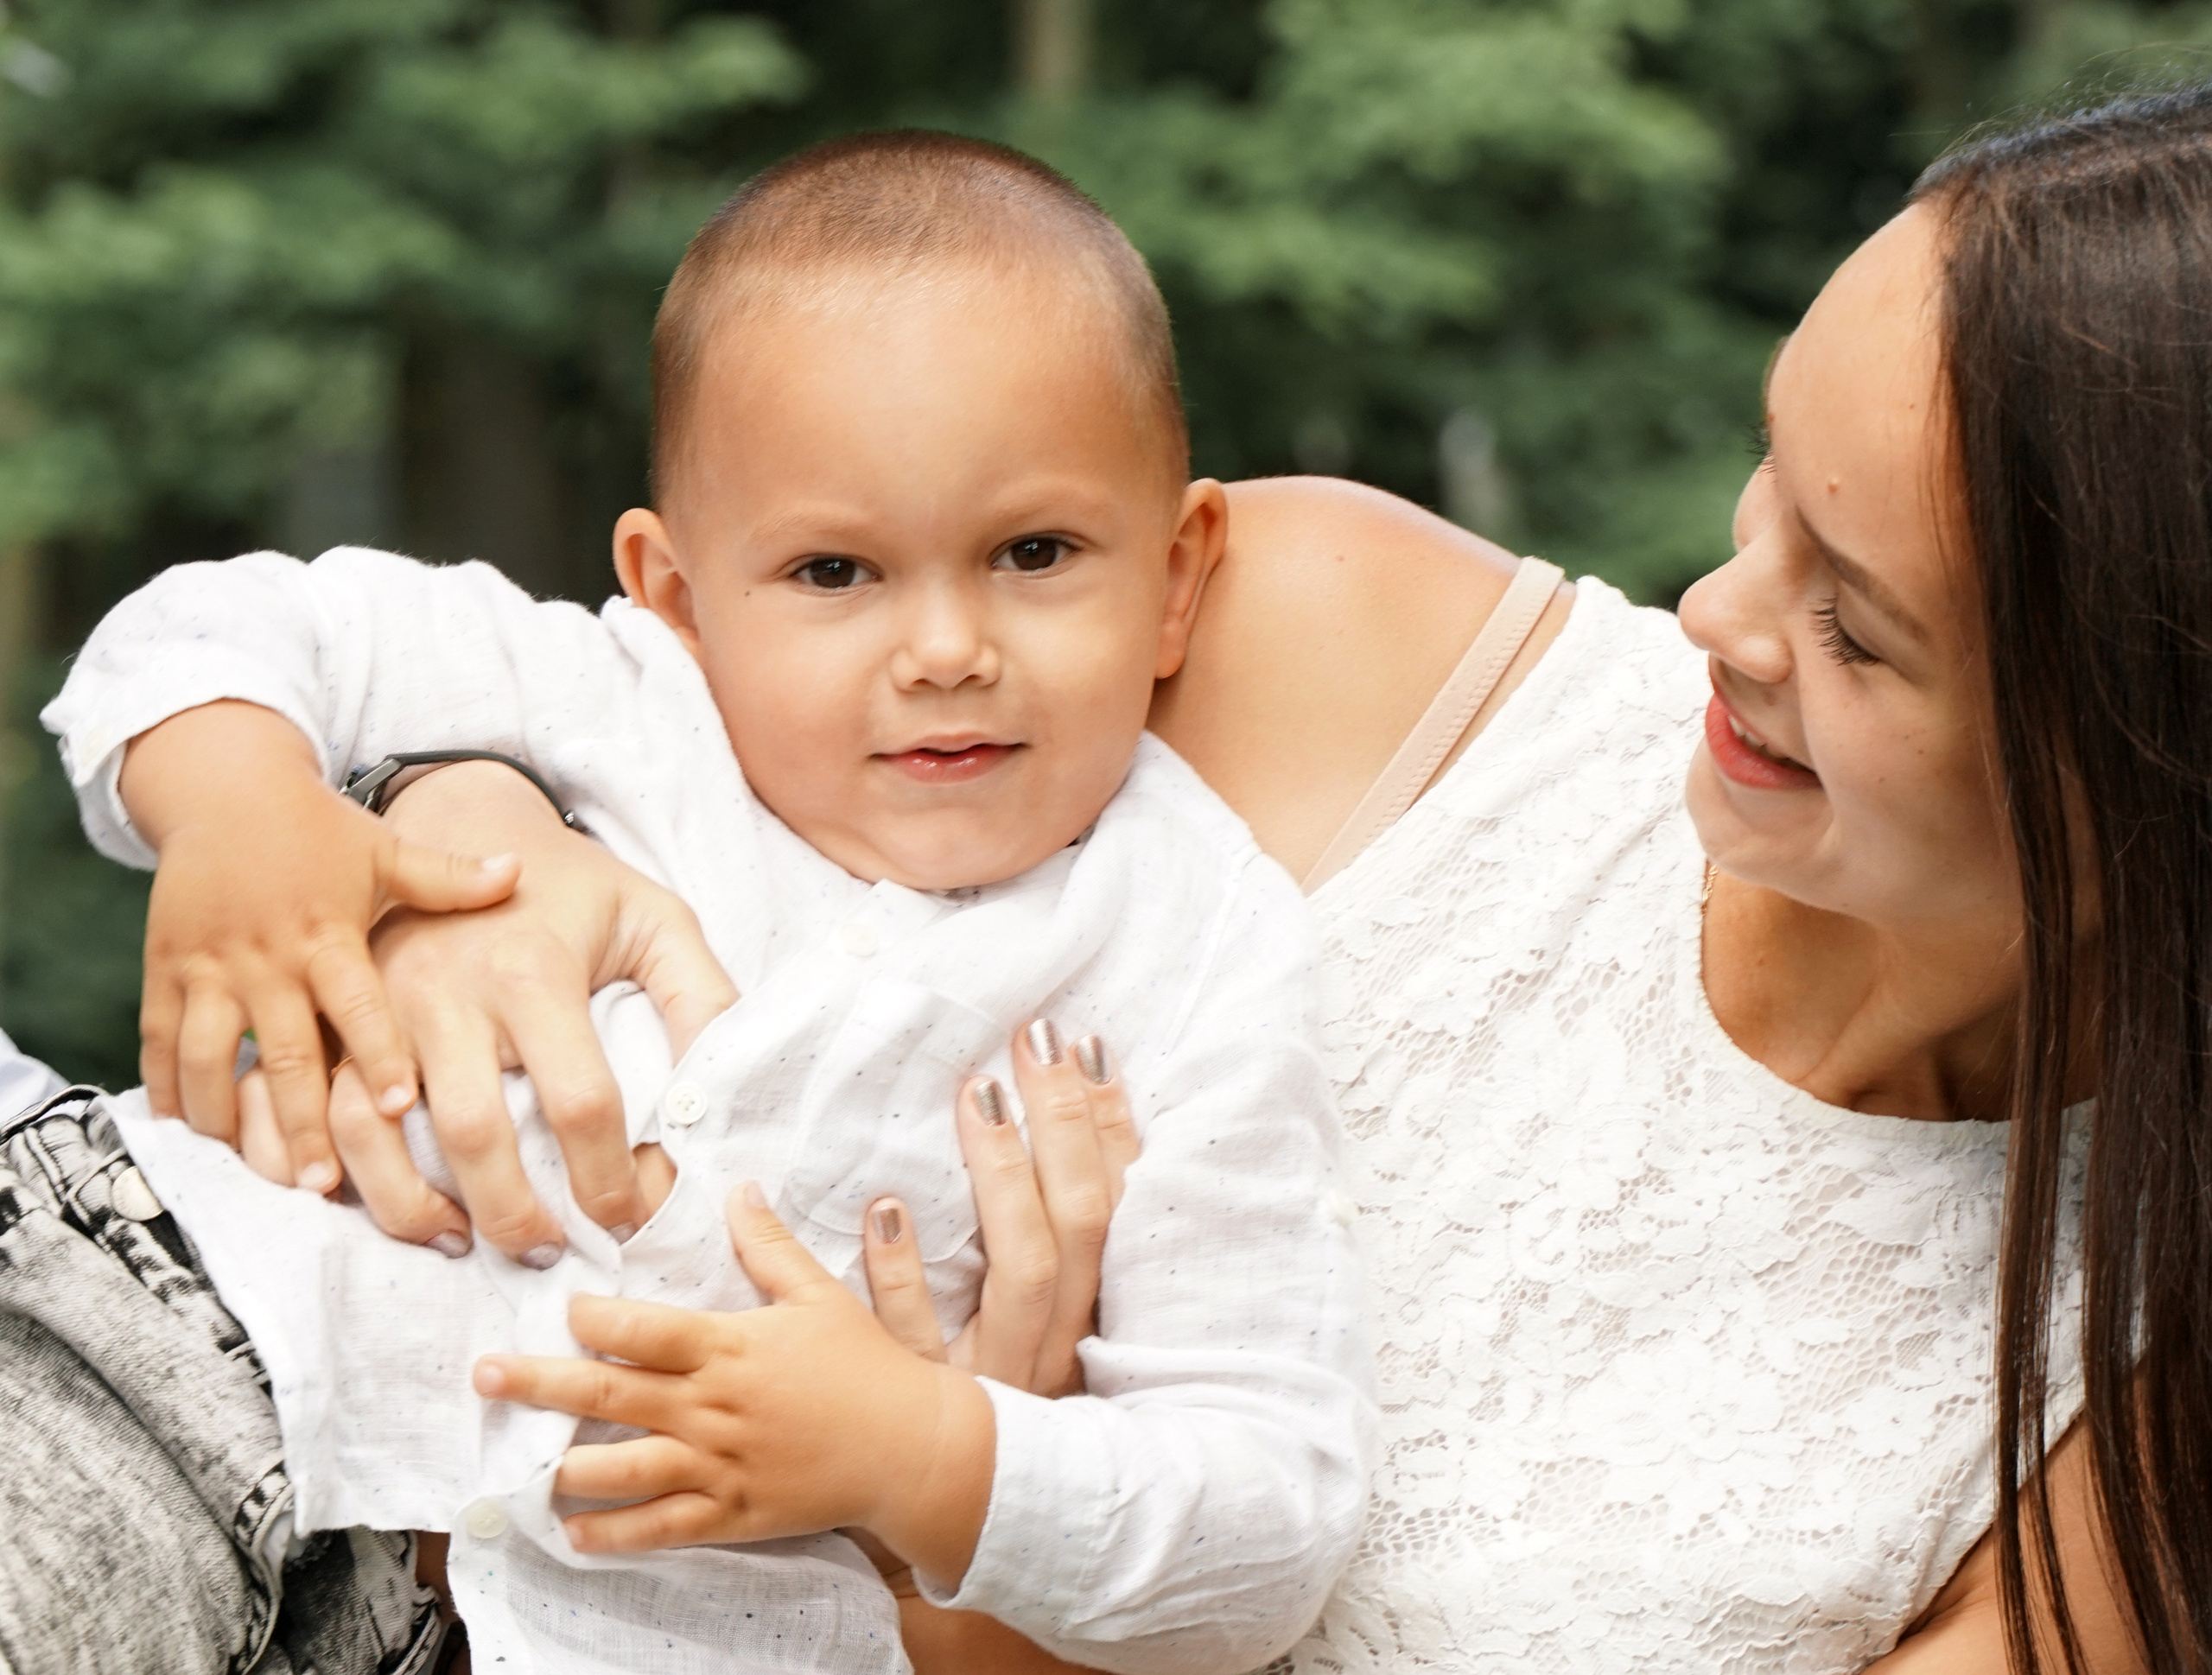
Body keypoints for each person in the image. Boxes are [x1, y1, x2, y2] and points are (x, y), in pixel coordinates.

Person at [41, 87, 2210, 1672]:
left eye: (1853, 622)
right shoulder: (1339, 644)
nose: (1709, 615)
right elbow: (655, 673)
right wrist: (457, 837)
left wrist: (952, 1465)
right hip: (190, 1330)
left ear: (2141, 776)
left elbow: (1210, 1525)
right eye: (1767, 490)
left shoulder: (2126, 1431)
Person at [41, 135, 1371, 1673]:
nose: (943, 646)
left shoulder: (1199, 946)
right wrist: (242, 808)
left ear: (1181, 572)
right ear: (675, 593)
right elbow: (210, 626)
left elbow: (1274, 1507)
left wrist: (920, 1455)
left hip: (610, 1629)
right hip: (177, 1348)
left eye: (1034, 551)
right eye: (832, 572)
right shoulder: (625, 701)